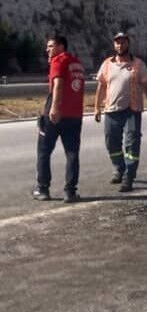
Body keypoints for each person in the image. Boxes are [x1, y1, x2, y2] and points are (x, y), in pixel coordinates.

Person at [93, 32, 147, 192]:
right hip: (111, 110)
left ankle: (129, 176)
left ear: (128, 44)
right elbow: (101, 86)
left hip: (132, 111)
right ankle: (119, 168)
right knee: (111, 142)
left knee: (132, 143)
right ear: (114, 45)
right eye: (117, 43)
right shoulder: (107, 64)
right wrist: (96, 107)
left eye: (123, 42)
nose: (120, 45)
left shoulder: (138, 64)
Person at [33, 35, 85, 203]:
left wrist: (54, 107)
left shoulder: (58, 60)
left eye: (51, 46)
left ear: (61, 47)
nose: (47, 50)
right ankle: (70, 192)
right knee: (72, 153)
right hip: (74, 115)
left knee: (44, 151)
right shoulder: (77, 63)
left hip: (55, 115)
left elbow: (58, 84)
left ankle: (43, 189)